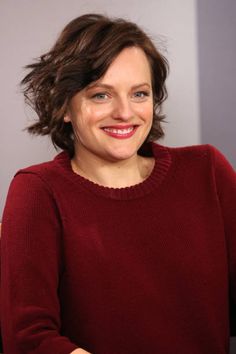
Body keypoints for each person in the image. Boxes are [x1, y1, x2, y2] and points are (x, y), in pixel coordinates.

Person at [1, 13, 236, 354]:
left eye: (140, 93)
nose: (125, 112)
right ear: (65, 105)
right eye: (101, 95)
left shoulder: (207, 171)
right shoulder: (38, 191)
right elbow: (29, 338)